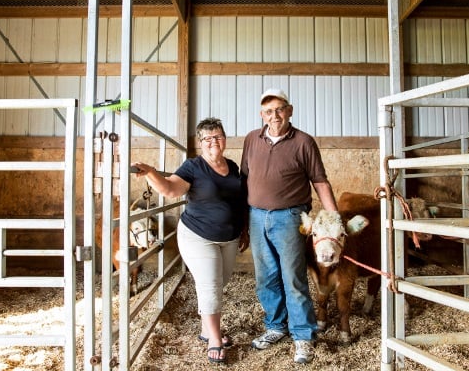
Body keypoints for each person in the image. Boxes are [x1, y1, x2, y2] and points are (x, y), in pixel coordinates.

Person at [131, 117, 248, 364]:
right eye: (208, 138)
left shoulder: (233, 167)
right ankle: (215, 339)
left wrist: (244, 230)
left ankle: (207, 329)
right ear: (200, 143)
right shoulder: (193, 167)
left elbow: (239, 202)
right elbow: (171, 189)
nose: (213, 141)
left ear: (224, 139)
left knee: (221, 281)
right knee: (210, 285)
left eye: (218, 136)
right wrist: (151, 172)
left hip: (228, 237)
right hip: (197, 236)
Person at [240, 88, 338, 364]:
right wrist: (243, 222)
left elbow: (320, 182)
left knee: (293, 278)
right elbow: (244, 179)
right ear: (262, 114)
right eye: (269, 111)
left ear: (290, 111)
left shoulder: (304, 142)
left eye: (280, 109)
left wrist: (334, 218)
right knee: (266, 277)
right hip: (257, 216)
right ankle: (275, 326)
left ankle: (303, 336)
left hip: (290, 217)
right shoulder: (251, 139)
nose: (275, 116)